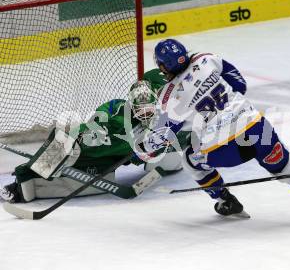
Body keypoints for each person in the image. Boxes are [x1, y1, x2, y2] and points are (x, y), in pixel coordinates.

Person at [142, 38, 290, 218]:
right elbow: (239, 84)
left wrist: (141, 146)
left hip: (224, 150)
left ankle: (225, 200)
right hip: (258, 129)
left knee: (189, 160)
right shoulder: (205, 59)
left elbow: (158, 141)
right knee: (288, 170)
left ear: (163, 67)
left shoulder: (168, 98)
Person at [0, 69, 187, 203]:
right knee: (67, 146)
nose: (145, 115)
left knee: (167, 160)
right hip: (92, 147)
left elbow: (154, 77)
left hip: (116, 156)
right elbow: (104, 112)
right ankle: (21, 184)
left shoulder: (162, 115)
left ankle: (27, 181)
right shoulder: (120, 112)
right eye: (141, 111)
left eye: (149, 111)